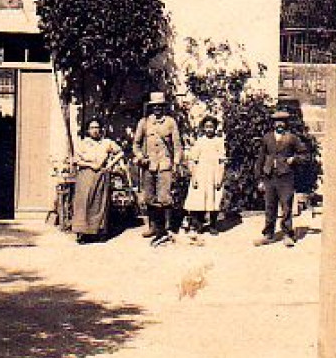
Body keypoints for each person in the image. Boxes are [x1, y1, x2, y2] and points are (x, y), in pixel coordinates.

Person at [132, 92, 183, 246]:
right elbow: (136, 144)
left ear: (164, 107)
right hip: (149, 165)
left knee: (164, 197)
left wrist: (176, 163)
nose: (157, 109)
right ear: (151, 107)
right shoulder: (144, 122)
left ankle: (166, 228)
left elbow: (177, 145)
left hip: (165, 165)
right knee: (149, 197)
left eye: (160, 106)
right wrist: (140, 156)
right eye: (154, 107)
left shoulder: (170, 122)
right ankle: (152, 227)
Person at [254, 107, 306, 247]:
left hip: (286, 177)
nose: (280, 124)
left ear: (286, 123)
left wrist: (293, 159)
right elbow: (261, 158)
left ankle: (288, 234)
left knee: (286, 206)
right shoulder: (267, 138)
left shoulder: (292, 138)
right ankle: (268, 234)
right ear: (273, 124)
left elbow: (304, 154)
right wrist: (259, 178)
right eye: (277, 122)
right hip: (269, 176)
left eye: (282, 122)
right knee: (269, 206)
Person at [70, 119, 123, 243]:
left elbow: (120, 153)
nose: (95, 130)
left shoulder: (106, 143)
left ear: (101, 129)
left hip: (101, 175)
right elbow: (76, 160)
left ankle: (98, 232)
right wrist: (90, 165)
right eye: (92, 128)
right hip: (86, 175)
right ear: (88, 130)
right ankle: (83, 233)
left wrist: (109, 165)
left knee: (100, 203)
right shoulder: (83, 143)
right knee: (84, 203)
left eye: (97, 127)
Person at [182, 115, 227, 238]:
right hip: (201, 174)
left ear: (215, 128)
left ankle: (212, 225)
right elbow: (193, 159)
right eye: (206, 127)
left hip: (214, 174)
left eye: (211, 127)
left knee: (214, 199)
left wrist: (220, 177)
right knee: (199, 199)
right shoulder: (200, 141)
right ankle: (199, 224)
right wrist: (194, 176)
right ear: (203, 128)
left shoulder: (219, 142)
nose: (209, 129)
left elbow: (222, 160)